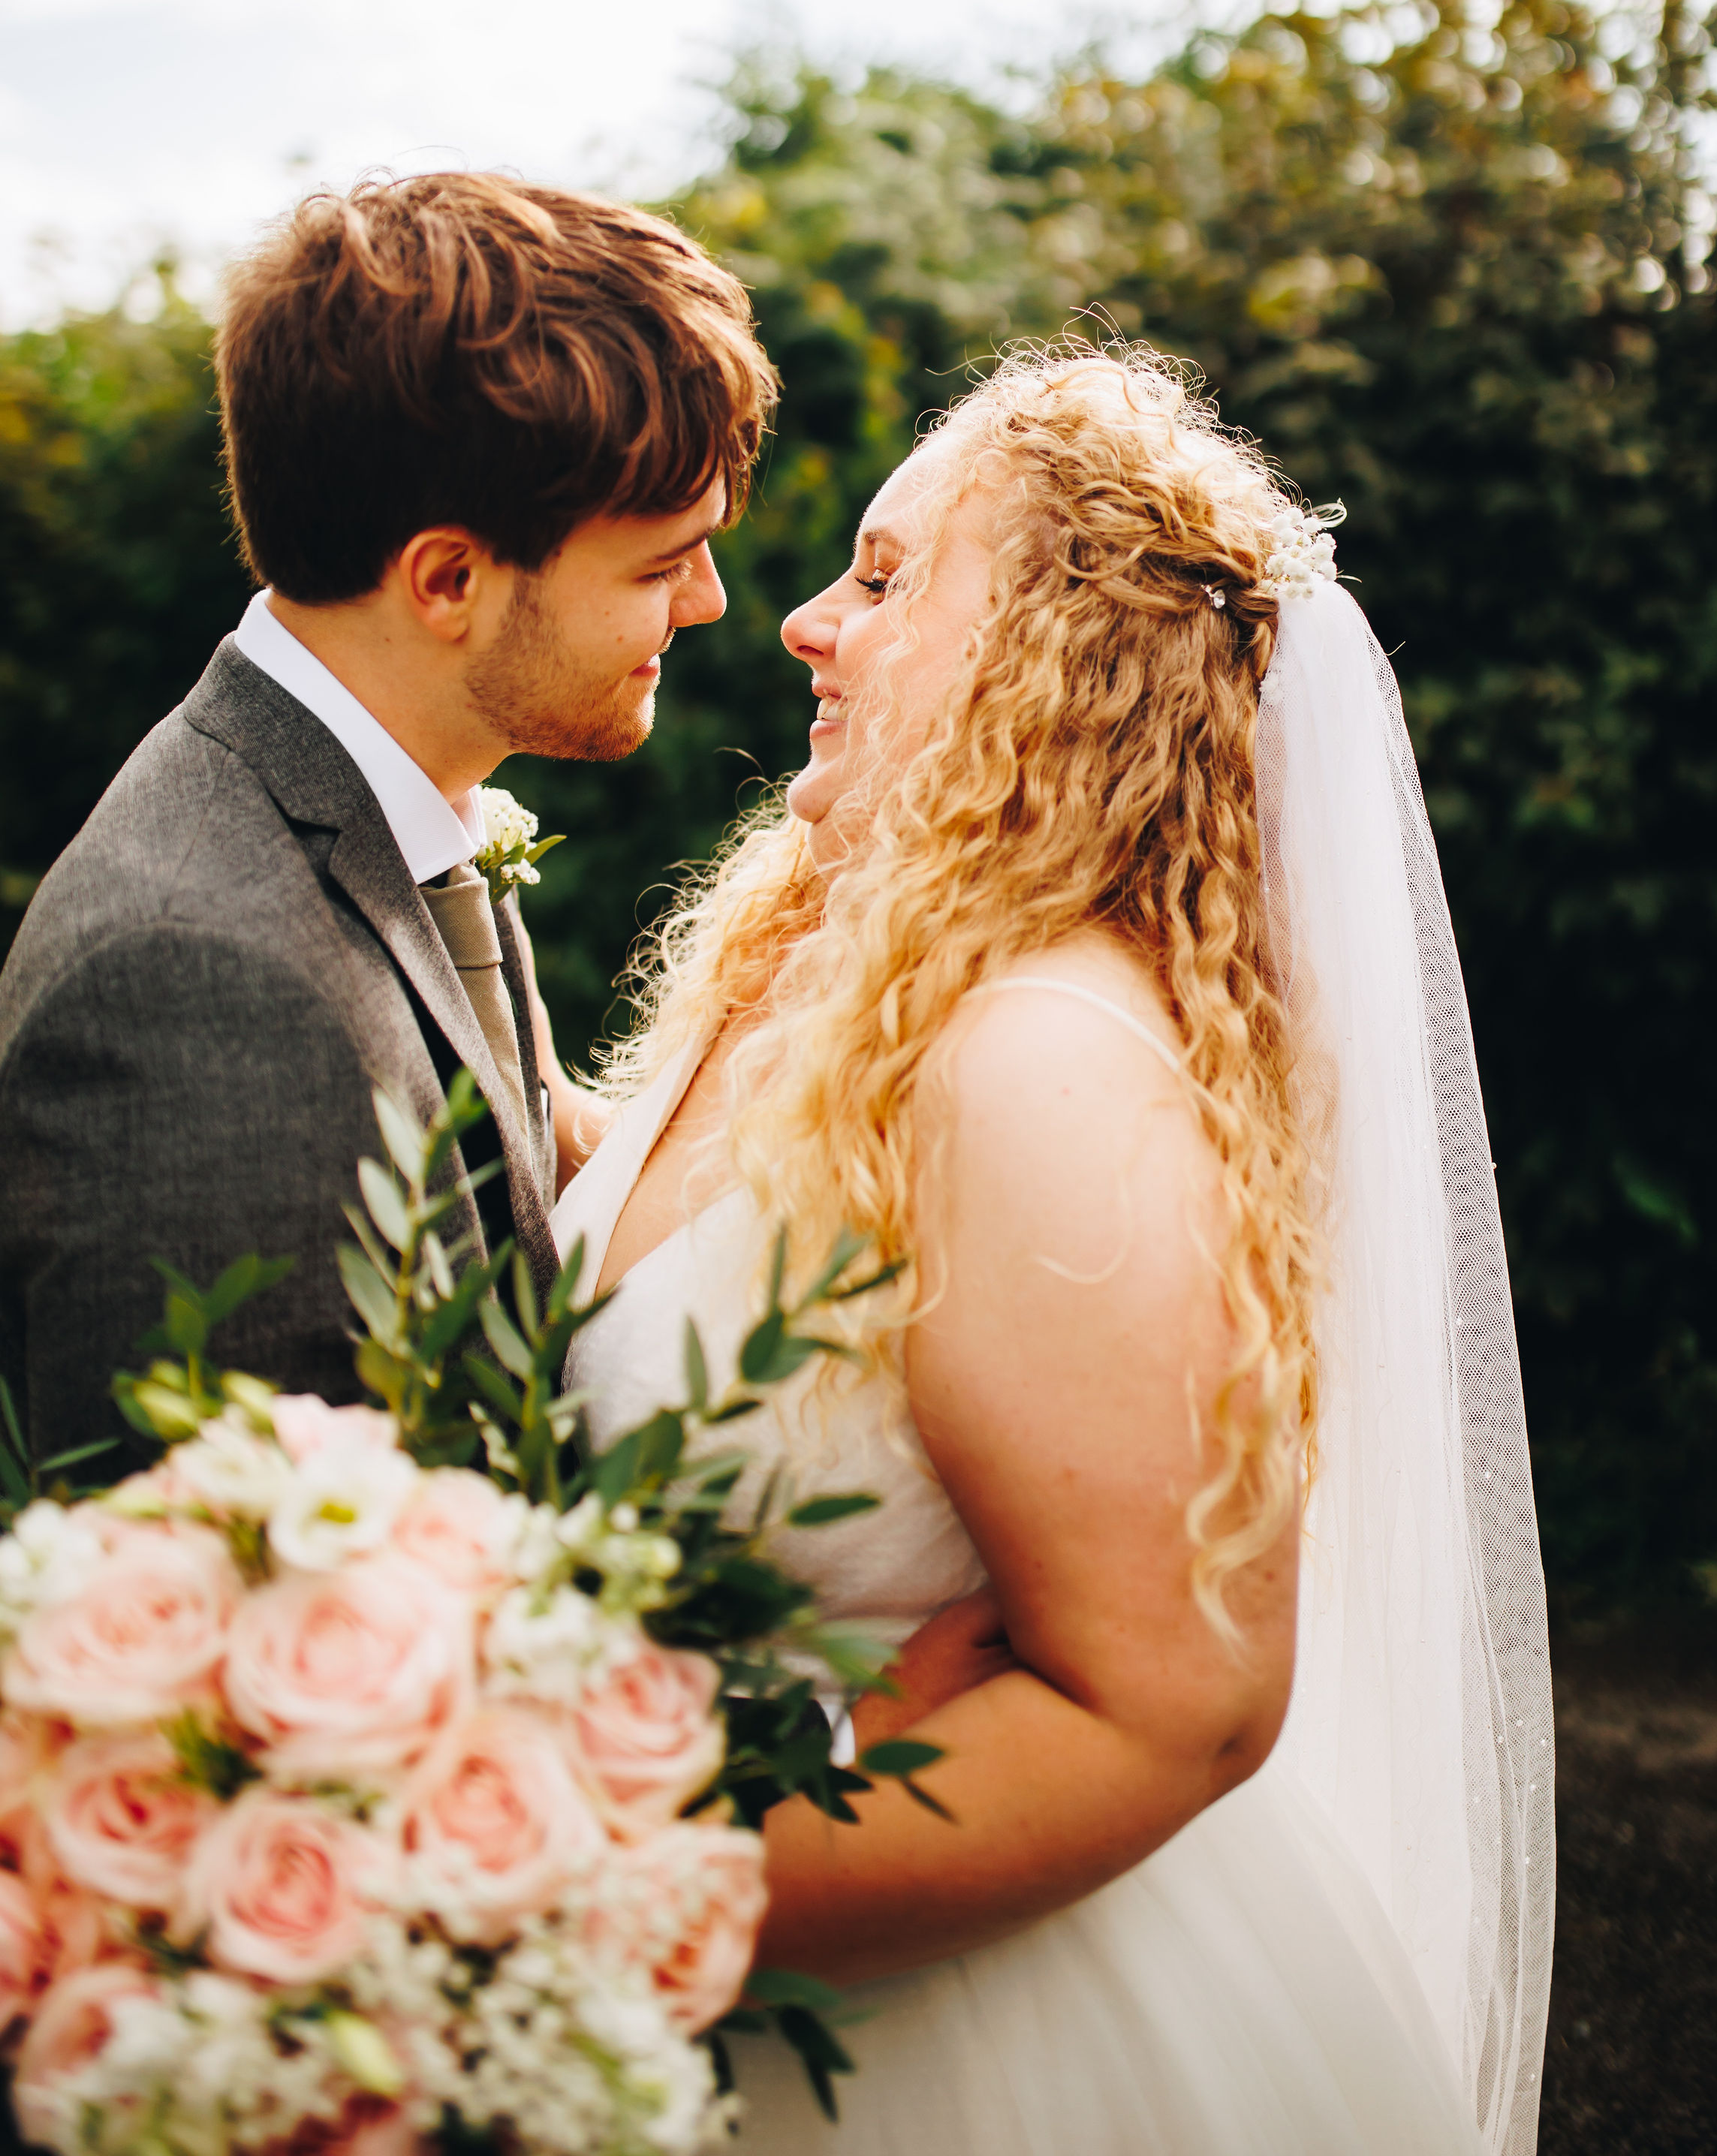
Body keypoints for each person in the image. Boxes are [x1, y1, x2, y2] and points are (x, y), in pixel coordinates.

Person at [555, 350, 1555, 2155]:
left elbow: (1181, 1708)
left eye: (884, 576)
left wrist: (604, 1909)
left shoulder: (1040, 1062)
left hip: (947, 2036)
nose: (798, 622)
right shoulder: (823, 986)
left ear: (1061, 654)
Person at [0, 171, 775, 1463]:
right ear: (450, 579)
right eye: (658, 563)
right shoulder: (197, 988)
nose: (709, 604)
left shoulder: (394, 812)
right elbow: (257, 1613)